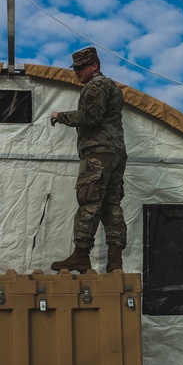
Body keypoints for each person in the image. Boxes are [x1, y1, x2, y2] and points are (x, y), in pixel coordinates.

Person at [49, 46, 127, 273]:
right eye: (75, 68)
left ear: (95, 65)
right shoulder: (112, 87)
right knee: (111, 204)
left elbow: (90, 117)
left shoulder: (96, 86)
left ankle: (81, 255)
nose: (77, 72)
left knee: (89, 201)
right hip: (116, 151)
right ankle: (115, 261)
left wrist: (59, 116)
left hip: (98, 152)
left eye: (81, 68)